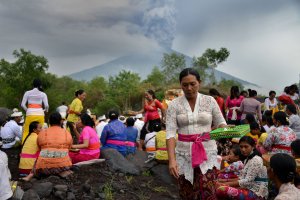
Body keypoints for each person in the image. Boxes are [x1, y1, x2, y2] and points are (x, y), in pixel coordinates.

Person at [166, 68, 227, 199]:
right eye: (185, 85)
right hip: (183, 154)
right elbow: (170, 133)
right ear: (180, 85)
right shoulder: (174, 105)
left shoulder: (210, 101)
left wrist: (225, 129)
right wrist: (172, 160)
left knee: (208, 190)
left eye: (192, 84)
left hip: (207, 152)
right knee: (186, 191)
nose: (189, 88)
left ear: (199, 82)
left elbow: (220, 122)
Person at [21, 112, 73, 181]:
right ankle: (61, 172)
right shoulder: (67, 133)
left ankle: (30, 176)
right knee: (66, 156)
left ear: (49, 121)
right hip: (63, 167)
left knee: (42, 155)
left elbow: (40, 148)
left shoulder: (42, 133)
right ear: (61, 121)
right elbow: (69, 148)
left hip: (44, 168)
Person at [21, 78, 49, 143]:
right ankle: (39, 146)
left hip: (30, 114)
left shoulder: (27, 93)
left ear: (33, 85)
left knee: (27, 131)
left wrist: (27, 110)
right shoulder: (43, 94)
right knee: (40, 131)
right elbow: (47, 105)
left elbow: (22, 104)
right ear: (40, 85)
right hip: (40, 114)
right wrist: (45, 110)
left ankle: (25, 146)